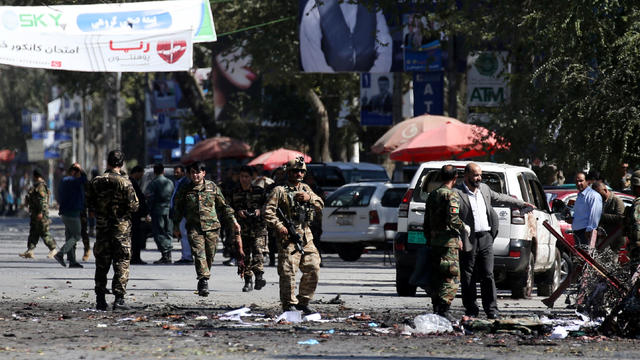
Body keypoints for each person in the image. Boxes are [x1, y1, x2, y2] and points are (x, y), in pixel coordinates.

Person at [454, 163, 531, 319]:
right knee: (468, 276)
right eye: (476, 175)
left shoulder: (484, 189)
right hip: (468, 239)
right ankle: (471, 309)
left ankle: (491, 309)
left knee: (488, 274)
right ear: (466, 175)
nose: (479, 178)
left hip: (485, 238)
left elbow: (501, 197)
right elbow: (452, 218)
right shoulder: (456, 193)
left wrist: (521, 204)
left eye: (480, 175)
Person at [264, 156, 324, 314]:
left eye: (302, 171)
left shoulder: (305, 189)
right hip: (288, 237)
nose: (299, 174)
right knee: (288, 272)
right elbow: (268, 212)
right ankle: (289, 304)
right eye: (295, 171)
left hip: (306, 236)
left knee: (313, 267)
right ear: (288, 172)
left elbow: (320, 204)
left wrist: (309, 198)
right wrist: (279, 226)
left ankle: (303, 301)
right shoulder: (279, 190)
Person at [172, 161, 241, 297]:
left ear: (203, 173)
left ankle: (204, 275)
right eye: (193, 172)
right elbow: (178, 209)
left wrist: (234, 221)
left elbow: (224, 206)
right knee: (199, 254)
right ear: (189, 174)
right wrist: (175, 227)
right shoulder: (185, 189)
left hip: (212, 228)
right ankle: (203, 281)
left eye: (198, 172)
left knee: (209, 255)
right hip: (194, 227)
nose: (196, 175)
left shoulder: (212, 187)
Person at [86, 150, 139, 310]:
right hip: (120, 230)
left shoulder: (96, 181)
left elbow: (89, 204)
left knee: (102, 264)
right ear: (121, 164)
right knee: (121, 262)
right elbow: (134, 206)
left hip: (102, 229)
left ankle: (100, 299)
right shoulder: (125, 182)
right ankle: (119, 299)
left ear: (108, 163)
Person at [299, 0, 392, 72]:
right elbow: (311, 59)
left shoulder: (372, 6)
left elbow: (385, 49)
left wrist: (372, 76)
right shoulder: (313, 6)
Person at [424, 165, 465, 322]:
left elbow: (426, 221)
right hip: (448, 243)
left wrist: (429, 238)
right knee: (451, 277)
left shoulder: (433, 194)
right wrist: (463, 228)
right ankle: (444, 309)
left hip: (435, 242)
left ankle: (436, 308)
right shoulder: (451, 195)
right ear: (455, 178)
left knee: (437, 276)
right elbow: (453, 220)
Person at [231, 166, 268, 292]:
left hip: (258, 227)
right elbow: (228, 208)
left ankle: (259, 276)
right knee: (244, 255)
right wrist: (238, 212)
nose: (244, 179)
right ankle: (248, 281)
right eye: (242, 176)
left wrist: (259, 211)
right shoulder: (234, 192)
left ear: (252, 178)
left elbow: (268, 206)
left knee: (258, 250)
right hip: (242, 229)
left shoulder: (260, 191)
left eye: (247, 177)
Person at [54, 163, 87, 268]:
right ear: (73, 172)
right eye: (77, 172)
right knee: (77, 236)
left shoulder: (65, 180)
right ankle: (60, 254)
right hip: (72, 213)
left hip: (66, 213)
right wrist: (81, 170)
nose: (79, 174)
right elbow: (84, 179)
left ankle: (72, 261)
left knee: (70, 237)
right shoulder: (71, 181)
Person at [19, 169, 58, 259]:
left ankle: (53, 250)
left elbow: (42, 202)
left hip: (40, 214)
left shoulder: (41, 187)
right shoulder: (35, 186)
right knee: (33, 232)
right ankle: (30, 250)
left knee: (44, 232)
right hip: (34, 213)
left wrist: (40, 212)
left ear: (36, 176)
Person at [145, 163, 174, 264]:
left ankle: (165, 255)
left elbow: (148, 196)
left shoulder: (154, 183)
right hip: (169, 210)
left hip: (157, 211)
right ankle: (168, 254)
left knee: (159, 233)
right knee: (168, 232)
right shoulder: (170, 182)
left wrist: (148, 210)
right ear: (163, 171)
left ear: (154, 171)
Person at [571, 171, 603, 248]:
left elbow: (595, 215)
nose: (578, 184)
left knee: (586, 257)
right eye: (576, 182)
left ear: (587, 181)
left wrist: (589, 231)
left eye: (581, 181)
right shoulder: (580, 196)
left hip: (586, 233)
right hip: (577, 232)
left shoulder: (593, 196)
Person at [592, 181, 625, 252]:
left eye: (598, 193)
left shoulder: (616, 201)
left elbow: (621, 219)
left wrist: (601, 216)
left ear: (605, 190)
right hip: (603, 242)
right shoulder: (599, 202)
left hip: (614, 242)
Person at [171, 165, 193, 264]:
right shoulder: (178, 183)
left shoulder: (186, 183)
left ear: (184, 173)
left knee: (185, 235)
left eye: (178, 172)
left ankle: (187, 257)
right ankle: (186, 255)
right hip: (181, 214)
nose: (175, 174)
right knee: (183, 235)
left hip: (185, 214)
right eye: (174, 172)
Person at [129, 166, 150, 265]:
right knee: (136, 237)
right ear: (137, 172)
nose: (141, 177)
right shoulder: (131, 182)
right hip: (134, 214)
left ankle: (135, 257)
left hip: (134, 214)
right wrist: (145, 212)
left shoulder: (131, 181)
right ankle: (135, 257)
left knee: (135, 237)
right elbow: (139, 198)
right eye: (141, 174)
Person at [624, 170, 640, 261]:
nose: (632, 188)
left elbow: (637, 226)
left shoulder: (638, 203)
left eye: (634, 186)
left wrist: (635, 246)